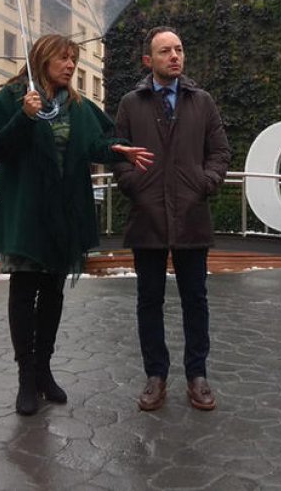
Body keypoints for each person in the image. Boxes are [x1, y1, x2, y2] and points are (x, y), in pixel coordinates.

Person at [0, 33, 153, 416]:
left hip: (64, 214)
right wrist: (23, 117)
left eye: (73, 60)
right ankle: (26, 377)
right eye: (63, 58)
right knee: (25, 293)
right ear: (42, 59)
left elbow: (95, 143)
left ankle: (44, 369)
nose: (70, 66)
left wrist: (116, 150)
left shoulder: (77, 105)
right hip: (27, 213)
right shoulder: (11, 99)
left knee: (53, 294)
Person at [113, 26, 231, 412]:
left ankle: (197, 375)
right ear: (149, 61)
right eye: (165, 51)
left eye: (179, 49)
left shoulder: (202, 102)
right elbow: (119, 156)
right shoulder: (132, 103)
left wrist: (205, 183)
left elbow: (219, 151)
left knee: (195, 299)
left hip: (191, 214)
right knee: (149, 301)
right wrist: (137, 188)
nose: (175, 56)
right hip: (147, 216)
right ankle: (156, 375)